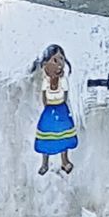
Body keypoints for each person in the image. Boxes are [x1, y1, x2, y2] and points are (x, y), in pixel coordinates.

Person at [33, 44, 78, 176]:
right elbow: (44, 97)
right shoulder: (46, 81)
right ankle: (44, 163)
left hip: (61, 109)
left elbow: (64, 95)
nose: (59, 64)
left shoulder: (63, 81)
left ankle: (64, 161)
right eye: (55, 60)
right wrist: (49, 105)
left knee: (64, 136)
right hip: (49, 110)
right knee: (46, 137)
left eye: (61, 59)